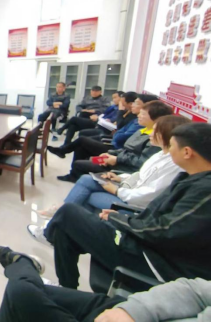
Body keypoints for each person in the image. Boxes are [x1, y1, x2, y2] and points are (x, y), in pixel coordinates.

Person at [42, 122, 211, 290]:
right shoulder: (189, 178)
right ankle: (66, 289)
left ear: (187, 152)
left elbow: (164, 230)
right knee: (68, 224)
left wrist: (118, 219)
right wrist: (122, 219)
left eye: (172, 146)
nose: (169, 150)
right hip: (146, 242)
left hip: (156, 261)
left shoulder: (204, 190)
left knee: (68, 213)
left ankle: (54, 250)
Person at [31, 115, 190, 227]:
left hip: (135, 205)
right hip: (128, 187)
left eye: (155, 130)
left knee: (86, 195)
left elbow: (148, 195)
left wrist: (117, 190)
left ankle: (57, 223)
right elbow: (141, 175)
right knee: (86, 180)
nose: (151, 133)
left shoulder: (174, 164)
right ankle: (61, 225)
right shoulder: (161, 154)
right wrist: (120, 178)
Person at [0, 246, 211, 322]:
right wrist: (136, 311)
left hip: (150, 254)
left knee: (20, 292)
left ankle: (22, 264)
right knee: (23, 293)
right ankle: (25, 265)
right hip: (127, 313)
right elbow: (196, 291)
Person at [55, 100, 172, 182]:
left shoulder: (155, 139)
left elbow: (141, 161)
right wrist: (110, 154)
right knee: (87, 155)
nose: (139, 116)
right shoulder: (142, 130)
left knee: (80, 161)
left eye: (143, 114)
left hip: (121, 166)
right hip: (116, 157)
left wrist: (115, 159)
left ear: (155, 118)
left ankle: (78, 177)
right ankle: (74, 175)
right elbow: (124, 145)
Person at [48, 96, 147, 162]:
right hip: (105, 129)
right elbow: (109, 117)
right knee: (75, 127)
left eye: (136, 103)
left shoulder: (135, 120)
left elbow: (119, 131)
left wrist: (119, 112)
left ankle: (62, 145)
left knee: (80, 135)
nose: (117, 100)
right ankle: (66, 153)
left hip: (113, 145)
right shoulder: (127, 114)